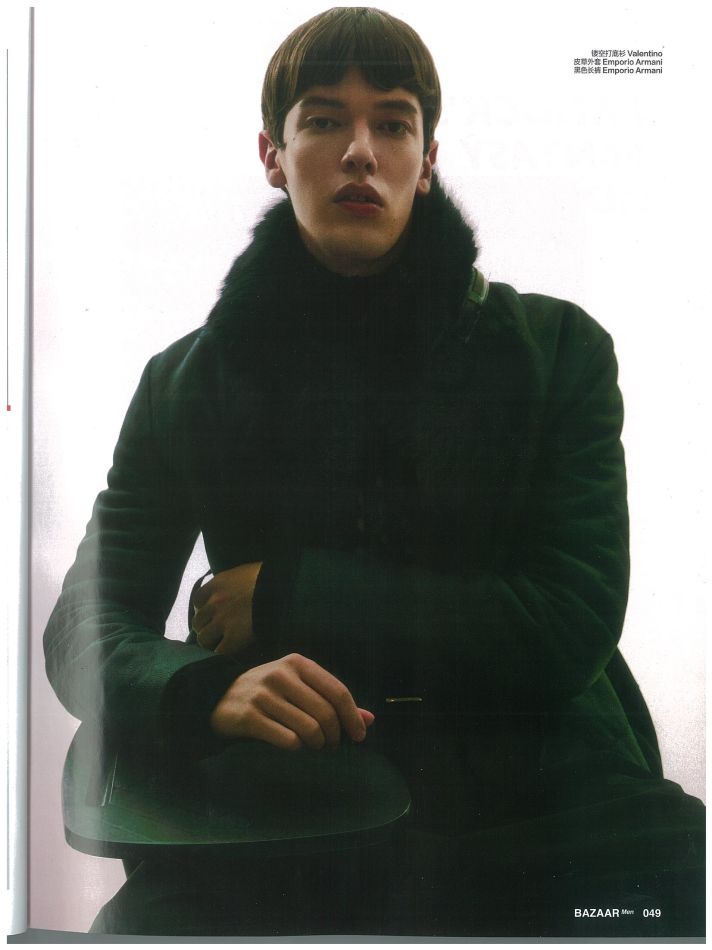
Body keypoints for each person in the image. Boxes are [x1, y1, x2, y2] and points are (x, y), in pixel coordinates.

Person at [44, 6, 705, 938]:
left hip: (549, 799)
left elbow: (569, 620)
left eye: (392, 123)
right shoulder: (184, 383)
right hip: (288, 806)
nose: (361, 151)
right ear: (274, 156)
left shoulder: (559, 350)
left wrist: (292, 595)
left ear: (426, 160)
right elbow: (83, 623)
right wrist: (203, 689)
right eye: (323, 119)